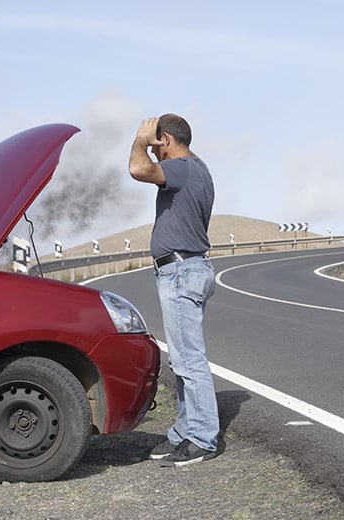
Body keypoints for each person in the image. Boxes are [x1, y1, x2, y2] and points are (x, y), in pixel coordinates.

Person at [128, 114, 221, 466]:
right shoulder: (197, 169)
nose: (153, 149)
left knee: (189, 358)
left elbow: (138, 169)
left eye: (156, 142)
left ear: (165, 139)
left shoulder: (182, 167)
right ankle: (184, 432)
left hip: (181, 271)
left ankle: (202, 438)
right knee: (182, 359)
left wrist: (140, 141)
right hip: (187, 269)